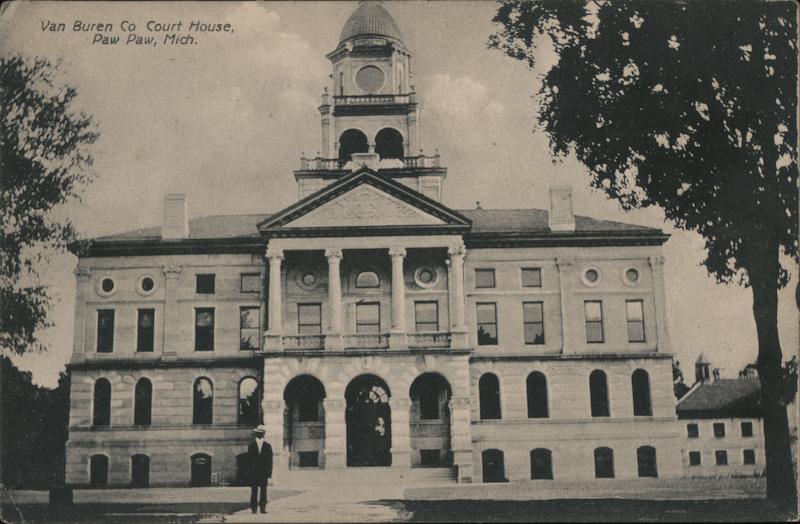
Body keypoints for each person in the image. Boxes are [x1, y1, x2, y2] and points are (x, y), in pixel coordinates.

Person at [247, 425, 273, 514]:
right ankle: (253, 508)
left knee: (263, 490)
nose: (259, 434)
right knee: (254, 490)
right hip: (254, 472)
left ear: (264, 434)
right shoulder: (251, 446)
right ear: (256, 434)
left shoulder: (268, 446)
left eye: (261, 433)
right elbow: (249, 461)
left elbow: (270, 462)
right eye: (258, 433)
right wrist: (249, 473)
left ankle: (263, 508)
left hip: (263, 472)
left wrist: (269, 475)